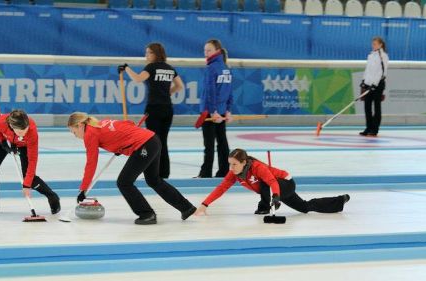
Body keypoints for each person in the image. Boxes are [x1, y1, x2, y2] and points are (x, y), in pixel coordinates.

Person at [68, 112, 196, 225]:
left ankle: (147, 214)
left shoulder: (90, 133)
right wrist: (119, 146)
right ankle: (186, 208)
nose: (76, 136)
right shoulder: (101, 123)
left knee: (124, 182)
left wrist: (83, 188)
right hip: (153, 140)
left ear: (80, 125)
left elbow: (91, 163)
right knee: (153, 180)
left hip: (144, 145)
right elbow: (129, 124)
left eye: (74, 132)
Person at [194, 149, 350, 216]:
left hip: (285, 183)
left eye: (234, 164)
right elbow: (221, 189)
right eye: (229, 164)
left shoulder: (257, 167)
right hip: (274, 189)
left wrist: (276, 196)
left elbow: (271, 181)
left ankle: (264, 206)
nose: (231, 167)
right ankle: (339, 201)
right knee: (304, 207)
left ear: (243, 162)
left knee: (264, 184)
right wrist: (204, 204)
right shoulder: (234, 173)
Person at [118, 43, 183, 179]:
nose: (146, 55)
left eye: (149, 53)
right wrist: (167, 93)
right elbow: (180, 86)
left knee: (152, 141)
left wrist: (126, 68)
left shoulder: (151, 67)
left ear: (156, 54)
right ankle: (164, 172)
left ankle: (154, 173)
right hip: (167, 109)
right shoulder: (170, 69)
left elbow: (137, 79)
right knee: (163, 141)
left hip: (154, 109)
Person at [0, 110, 61, 214]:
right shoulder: (1, 123)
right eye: (21, 132)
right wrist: (3, 142)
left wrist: (26, 185)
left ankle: (52, 196)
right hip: (5, 139)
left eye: (25, 129)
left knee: (30, 177)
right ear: (12, 127)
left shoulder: (31, 132)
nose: (24, 133)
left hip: (24, 145)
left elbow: (32, 161)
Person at [196, 39, 233, 178]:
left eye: (209, 50)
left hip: (210, 112)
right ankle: (224, 171)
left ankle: (206, 173)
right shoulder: (226, 68)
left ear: (217, 51)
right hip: (221, 111)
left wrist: (213, 111)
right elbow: (230, 92)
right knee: (222, 142)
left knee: (209, 144)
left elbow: (211, 92)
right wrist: (227, 110)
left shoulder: (211, 68)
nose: (206, 53)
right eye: (205, 50)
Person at [359, 37, 389, 137]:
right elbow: (367, 70)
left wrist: (374, 84)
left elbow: (381, 72)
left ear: (381, 45)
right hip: (368, 85)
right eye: (373, 44)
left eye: (375, 44)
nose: (373, 46)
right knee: (367, 107)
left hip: (378, 85)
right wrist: (364, 81)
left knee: (376, 107)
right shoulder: (371, 55)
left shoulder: (383, 56)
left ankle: (374, 129)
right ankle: (368, 127)